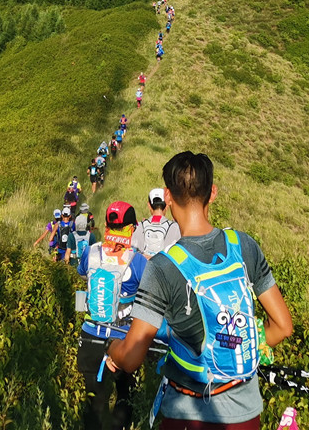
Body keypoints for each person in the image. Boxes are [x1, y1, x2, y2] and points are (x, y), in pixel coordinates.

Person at [103, 151, 293, 430]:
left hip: (187, 415)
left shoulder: (162, 267)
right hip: (246, 415)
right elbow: (283, 326)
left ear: (168, 197)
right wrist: (233, 349)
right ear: (212, 193)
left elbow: (131, 357)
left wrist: (113, 350)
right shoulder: (243, 246)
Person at [77, 201, 156, 430]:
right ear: (132, 228)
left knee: (94, 399)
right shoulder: (138, 261)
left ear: (106, 225)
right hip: (124, 338)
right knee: (125, 395)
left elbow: (83, 274)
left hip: (90, 335)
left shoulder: (91, 253)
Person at [133, 187, 181, 258]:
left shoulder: (138, 226)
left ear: (149, 205)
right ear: (167, 206)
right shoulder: (176, 228)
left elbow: (132, 252)